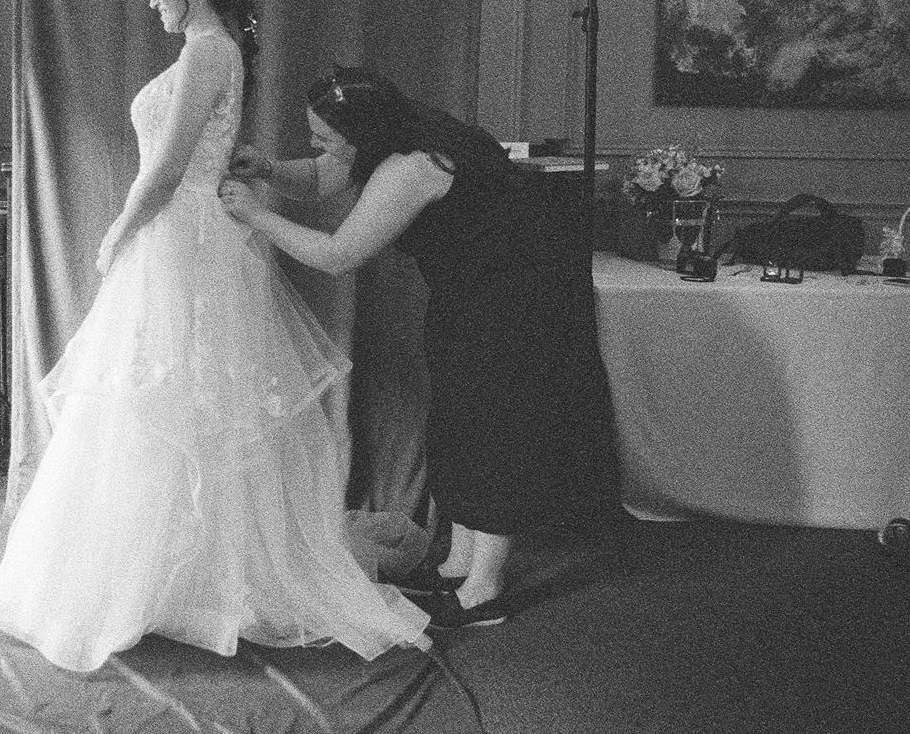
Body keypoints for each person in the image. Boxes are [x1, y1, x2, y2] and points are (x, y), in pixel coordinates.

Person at [0, 0, 430, 671]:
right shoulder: (211, 51)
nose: (151, 1)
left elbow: (164, 168)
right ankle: (169, 577)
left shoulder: (206, 51)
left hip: (180, 239)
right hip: (189, 239)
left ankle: (166, 582)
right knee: (174, 406)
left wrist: (116, 231)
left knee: (172, 403)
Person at [219, 68, 619, 629]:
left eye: (326, 137)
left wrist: (257, 215)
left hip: (517, 297)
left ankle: (484, 594)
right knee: (458, 419)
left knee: (493, 430)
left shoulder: (415, 168)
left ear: (363, 135)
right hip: (470, 290)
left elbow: (339, 254)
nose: (316, 146)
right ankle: (458, 565)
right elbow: (322, 177)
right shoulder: (391, 137)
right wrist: (266, 170)